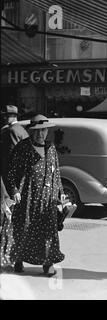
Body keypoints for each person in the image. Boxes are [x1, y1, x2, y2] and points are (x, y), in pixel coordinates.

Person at [6, 114, 65, 275]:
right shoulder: (23, 147)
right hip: (28, 196)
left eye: (44, 130)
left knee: (48, 231)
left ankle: (48, 263)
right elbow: (9, 171)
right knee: (24, 228)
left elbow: (56, 171)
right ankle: (18, 259)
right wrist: (14, 191)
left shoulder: (51, 147)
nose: (41, 134)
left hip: (48, 198)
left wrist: (61, 192)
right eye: (37, 131)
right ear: (31, 131)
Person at [1, 105, 28, 268]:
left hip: (11, 183)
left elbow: (9, 161)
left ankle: (12, 258)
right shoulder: (22, 130)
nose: (3, 118)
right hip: (21, 182)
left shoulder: (10, 131)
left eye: (5, 115)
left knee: (9, 221)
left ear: (9, 116)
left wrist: (10, 188)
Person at [1, 105, 29, 181]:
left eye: (7, 116)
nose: (4, 118)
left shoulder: (11, 130)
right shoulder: (20, 128)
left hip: (11, 171)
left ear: (14, 116)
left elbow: (12, 152)